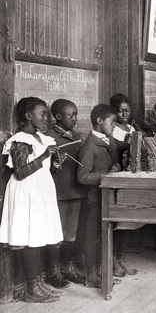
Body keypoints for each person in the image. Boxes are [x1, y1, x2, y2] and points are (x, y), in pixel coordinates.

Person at [0, 97, 66, 303]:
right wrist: (45, 156)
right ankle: (31, 288)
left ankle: (37, 284)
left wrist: (56, 162)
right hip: (25, 191)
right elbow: (20, 172)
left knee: (37, 238)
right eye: (43, 114)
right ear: (28, 116)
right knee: (29, 240)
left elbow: (49, 170)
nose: (47, 117)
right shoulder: (20, 140)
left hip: (40, 191)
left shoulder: (40, 138)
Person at [77, 104, 125, 287]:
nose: (115, 125)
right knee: (93, 236)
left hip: (107, 199)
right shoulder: (89, 146)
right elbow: (82, 177)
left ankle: (102, 272)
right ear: (99, 121)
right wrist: (108, 174)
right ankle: (91, 275)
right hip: (95, 199)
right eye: (112, 121)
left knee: (105, 235)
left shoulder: (109, 140)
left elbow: (121, 147)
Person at [45, 99, 86, 285]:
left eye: (76, 114)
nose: (75, 118)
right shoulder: (48, 137)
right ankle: (53, 273)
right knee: (56, 233)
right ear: (58, 117)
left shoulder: (78, 136)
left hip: (75, 191)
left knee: (71, 233)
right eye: (71, 115)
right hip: (58, 193)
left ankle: (66, 268)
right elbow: (45, 170)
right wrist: (54, 163)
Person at [110, 93, 142, 277]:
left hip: (132, 179)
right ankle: (113, 260)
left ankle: (121, 258)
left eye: (127, 110)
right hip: (119, 179)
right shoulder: (113, 130)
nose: (124, 114)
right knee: (118, 224)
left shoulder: (131, 127)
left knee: (128, 223)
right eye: (120, 110)